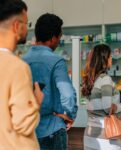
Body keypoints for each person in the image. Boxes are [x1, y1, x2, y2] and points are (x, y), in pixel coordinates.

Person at [23, 13, 78, 150]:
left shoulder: (22, 61)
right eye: (59, 37)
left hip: (28, 130)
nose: (59, 40)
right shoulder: (56, 61)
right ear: (53, 38)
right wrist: (69, 115)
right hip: (52, 130)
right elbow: (68, 95)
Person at [0, 0, 43, 149]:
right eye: (26, 23)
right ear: (17, 26)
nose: (27, 28)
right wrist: (36, 102)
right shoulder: (17, 67)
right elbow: (24, 123)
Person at [82, 44, 121, 150]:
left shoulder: (91, 80)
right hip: (105, 136)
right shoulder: (105, 79)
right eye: (110, 57)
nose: (111, 59)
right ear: (104, 59)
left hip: (91, 133)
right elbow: (108, 108)